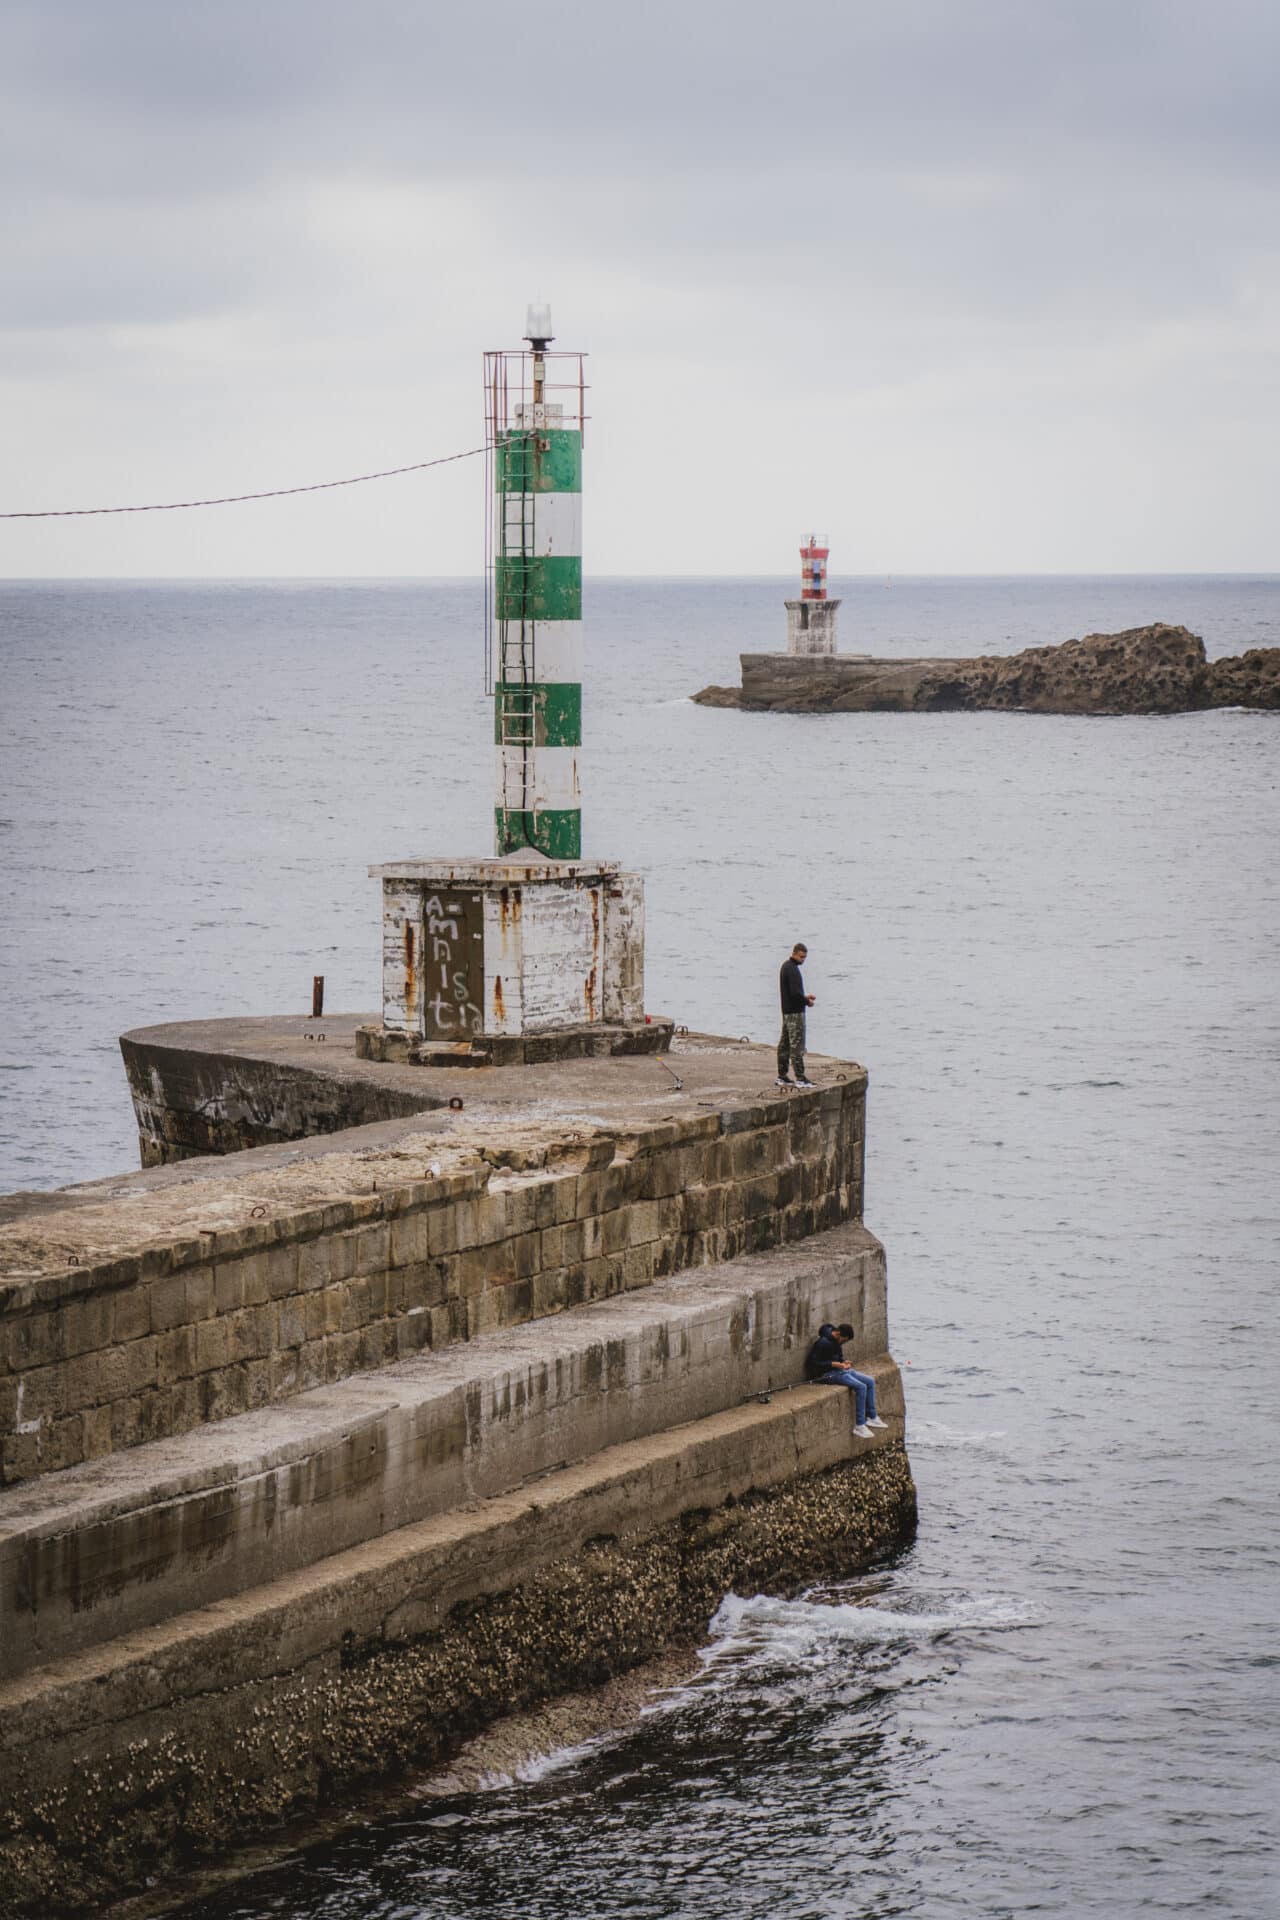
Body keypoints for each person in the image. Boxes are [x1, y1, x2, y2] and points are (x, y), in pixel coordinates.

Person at [804, 1321, 888, 1440]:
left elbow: (838, 1356)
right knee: (861, 1387)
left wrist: (843, 1362)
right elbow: (812, 1363)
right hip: (826, 1374)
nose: (844, 1342)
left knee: (869, 1381)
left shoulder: (836, 1340)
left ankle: (872, 1417)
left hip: (839, 1370)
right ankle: (859, 1425)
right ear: (838, 1334)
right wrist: (835, 1364)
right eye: (845, 1340)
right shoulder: (823, 1343)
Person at [777, 942, 815, 1089]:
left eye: (805, 957)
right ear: (795, 953)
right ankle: (800, 1078)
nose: (803, 960)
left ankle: (782, 1076)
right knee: (797, 1046)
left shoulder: (785, 967)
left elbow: (793, 993)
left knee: (784, 1045)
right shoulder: (792, 970)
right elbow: (795, 994)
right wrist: (807, 1001)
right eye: (801, 957)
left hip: (786, 1012)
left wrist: (804, 997)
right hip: (795, 1013)